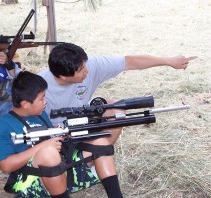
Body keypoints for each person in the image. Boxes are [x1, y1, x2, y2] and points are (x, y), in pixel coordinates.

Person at [0, 70, 124, 198]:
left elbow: (53, 141)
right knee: (48, 152)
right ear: (25, 103)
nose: (45, 102)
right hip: (30, 183)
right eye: (41, 98)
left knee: (100, 142)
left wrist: (64, 135)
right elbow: (6, 166)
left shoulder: (40, 114)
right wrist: (44, 146)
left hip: (60, 171)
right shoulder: (4, 126)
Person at [38, 43, 197, 144]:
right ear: (63, 76)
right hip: (57, 134)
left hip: (84, 119)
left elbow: (129, 61)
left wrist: (169, 61)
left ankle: (95, 159)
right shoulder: (40, 86)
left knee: (116, 110)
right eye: (80, 70)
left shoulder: (90, 66)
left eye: (85, 65)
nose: (87, 71)